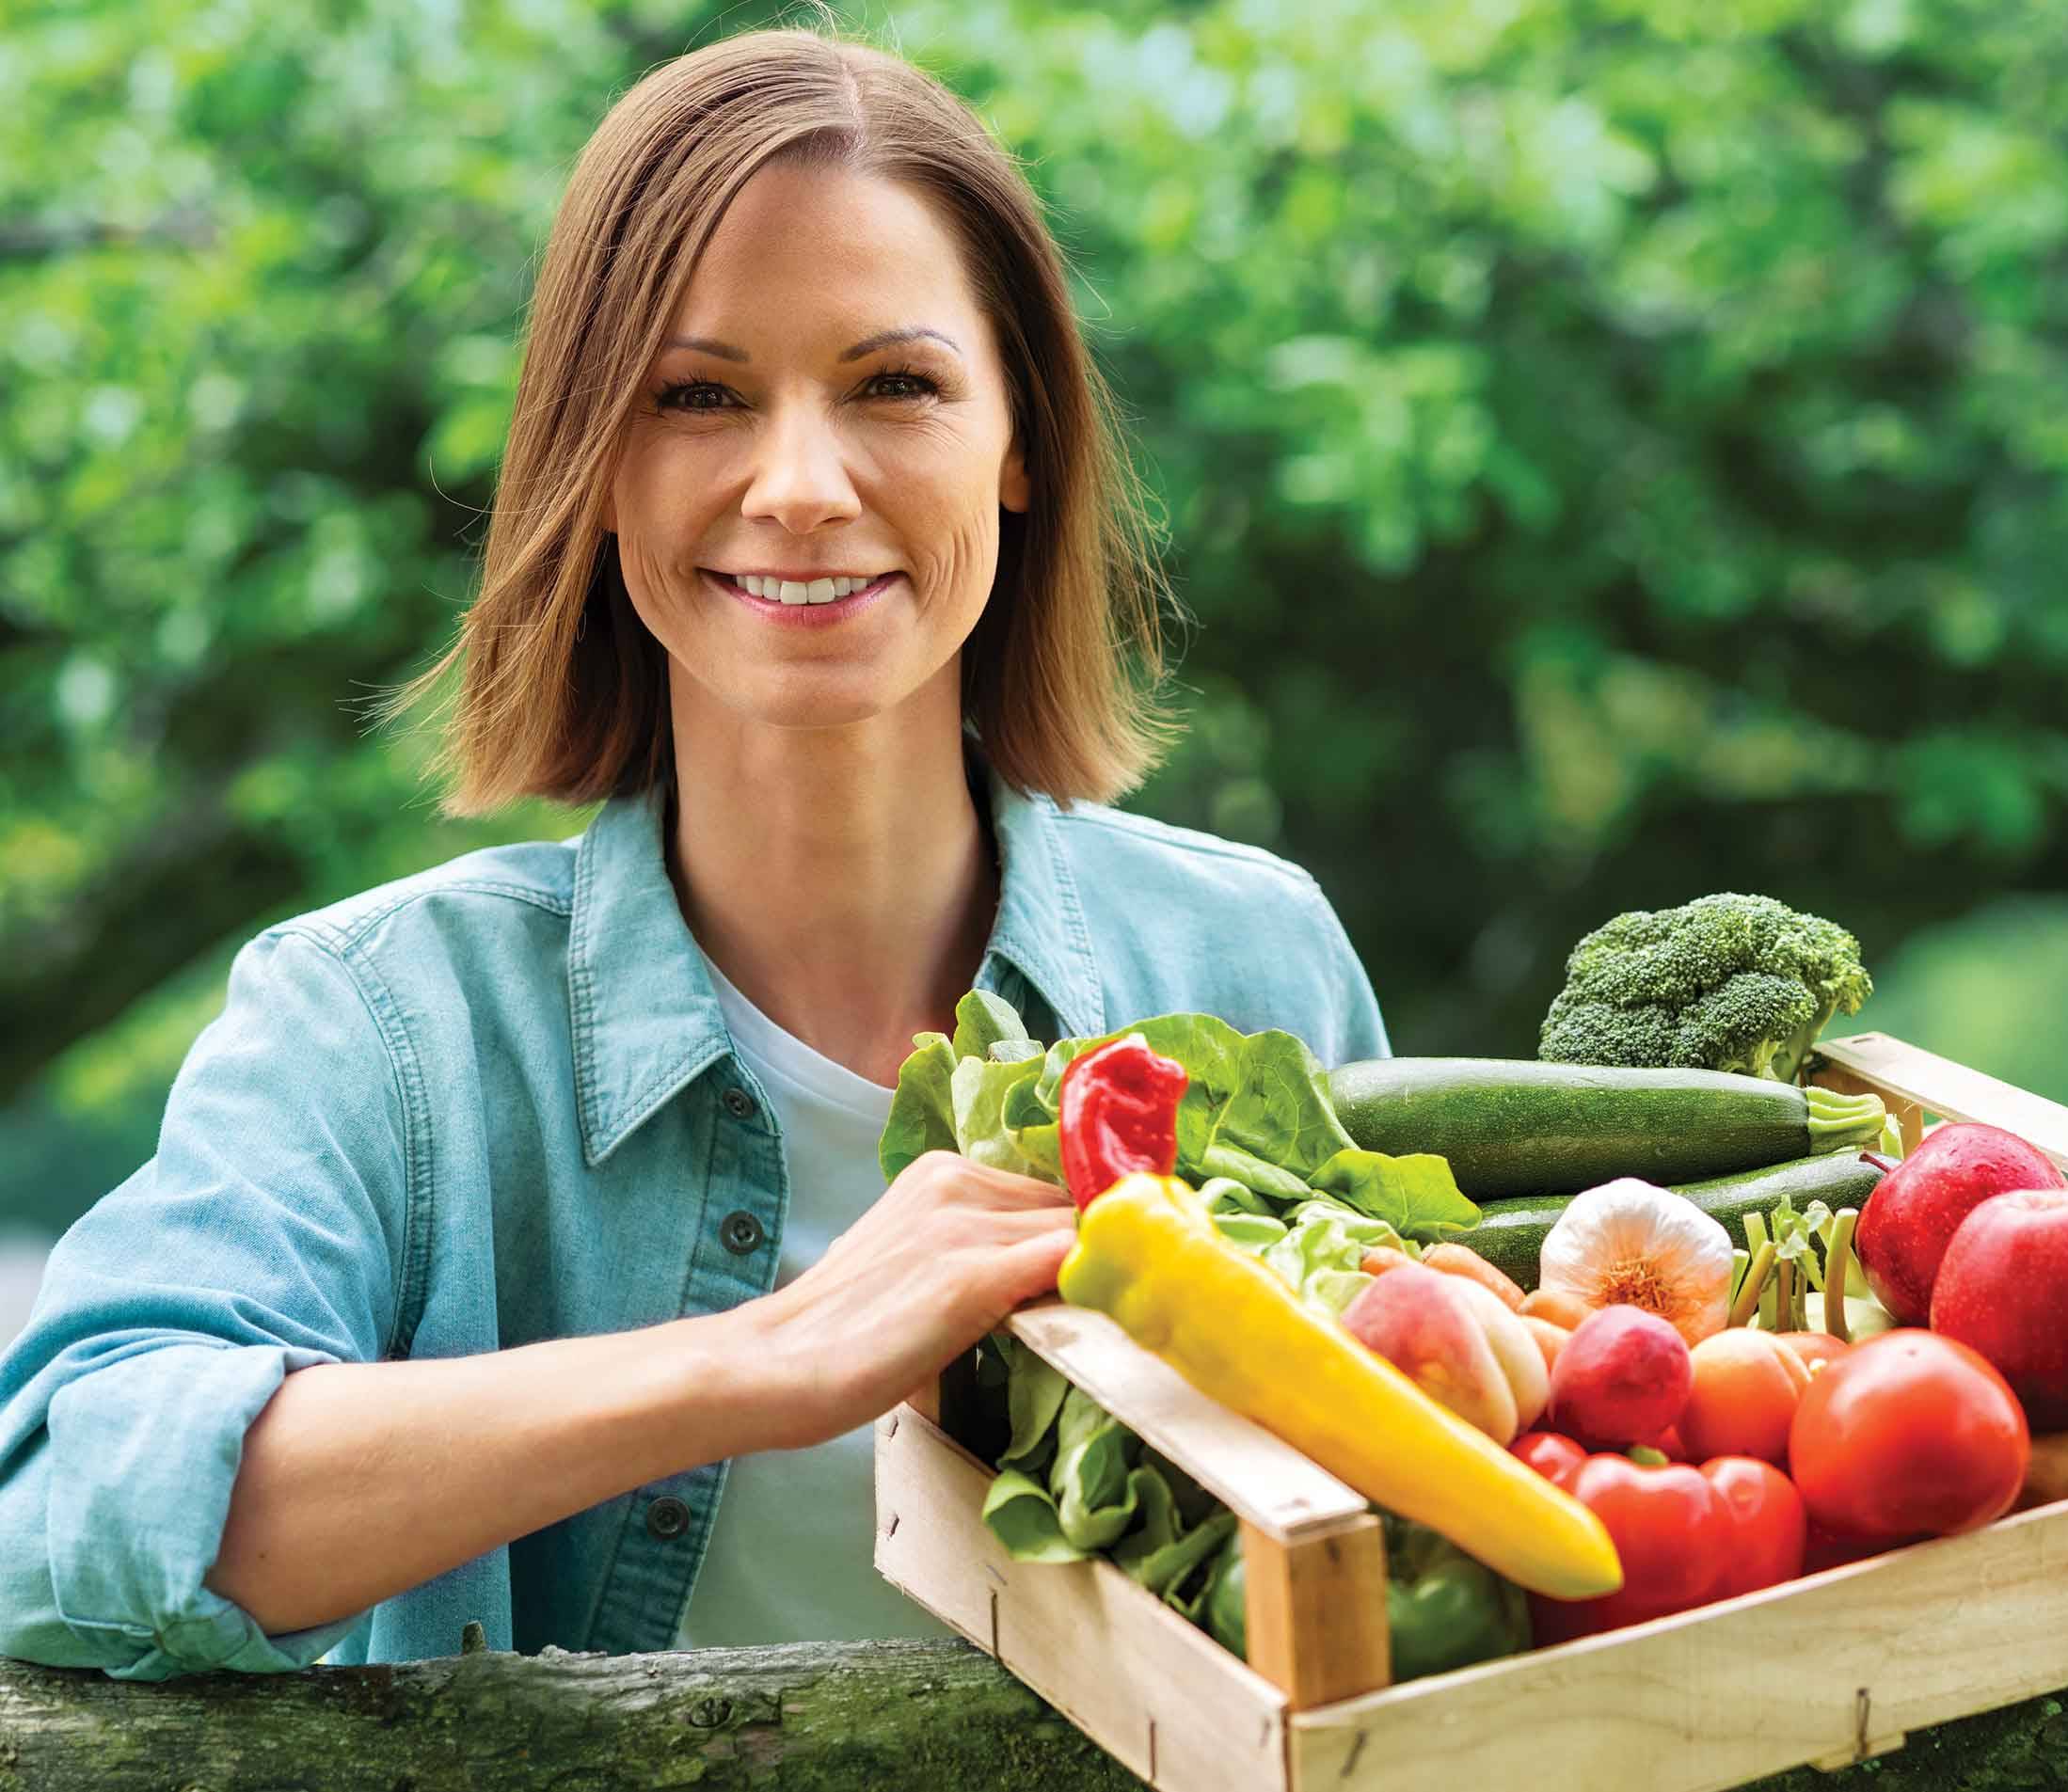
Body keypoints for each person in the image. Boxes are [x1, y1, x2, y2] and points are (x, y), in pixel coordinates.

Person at [0, 24, 1388, 1679]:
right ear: (592, 461)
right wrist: (760, 1356)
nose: (797, 485)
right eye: (696, 395)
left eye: (894, 384)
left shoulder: (1252, 964)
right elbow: (65, 1501)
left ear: (1020, 440)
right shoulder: (381, 1029)